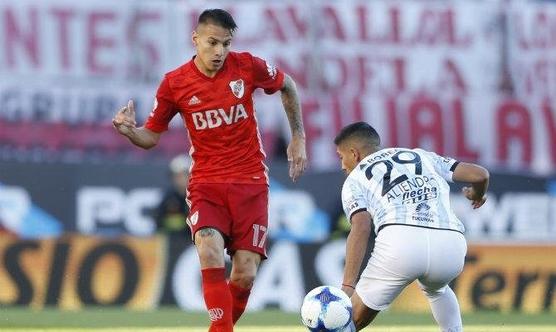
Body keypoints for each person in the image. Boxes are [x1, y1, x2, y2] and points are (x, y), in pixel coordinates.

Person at [112, 8, 307, 332]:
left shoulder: (247, 65)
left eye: (226, 44)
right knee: (208, 245)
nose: (219, 52)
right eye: (212, 43)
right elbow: (151, 136)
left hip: (250, 180)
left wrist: (298, 137)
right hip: (206, 181)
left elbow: (288, 85)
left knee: (245, 272)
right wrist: (131, 131)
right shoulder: (175, 84)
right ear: (196, 39)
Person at [334, 122, 488, 332]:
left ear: (354, 153)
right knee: (438, 290)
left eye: (341, 157)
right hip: (450, 244)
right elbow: (480, 175)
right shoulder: (422, 156)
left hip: (400, 242)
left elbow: (361, 226)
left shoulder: (355, 178)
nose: (342, 165)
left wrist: (348, 286)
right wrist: (477, 194)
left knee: (347, 322)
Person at [154, 154, 191, 239]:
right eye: (176, 176)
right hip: (173, 241)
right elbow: (158, 220)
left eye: (182, 175)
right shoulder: (169, 197)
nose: (179, 179)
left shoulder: (199, 197)